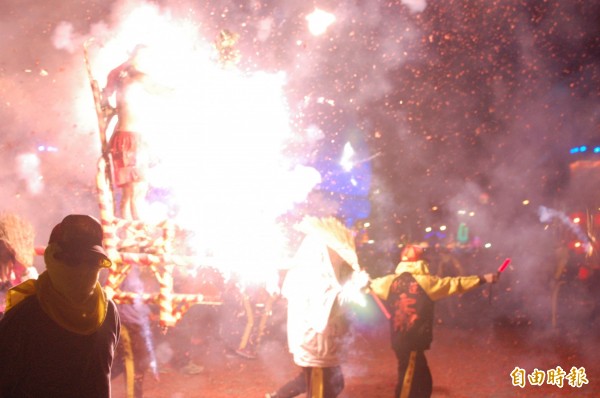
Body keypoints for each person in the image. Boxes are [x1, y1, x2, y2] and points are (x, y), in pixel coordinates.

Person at [0, 214, 121, 397]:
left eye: (91, 261)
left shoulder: (109, 312)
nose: (83, 269)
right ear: (53, 258)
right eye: (73, 260)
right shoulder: (28, 313)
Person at [369, 244, 499, 398]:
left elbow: (370, 284)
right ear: (420, 261)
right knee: (408, 382)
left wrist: (365, 281)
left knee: (422, 382)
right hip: (413, 341)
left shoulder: (388, 282)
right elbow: (455, 284)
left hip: (402, 339)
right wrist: (484, 278)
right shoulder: (426, 282)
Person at [266, 216, 368, 398]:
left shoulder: (311, 273)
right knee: (321, 391)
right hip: (317, 347)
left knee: (330, 386)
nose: (336, 255)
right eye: (332, 250)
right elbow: (332, 306)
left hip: (318, 347)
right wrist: (356, 286)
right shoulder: (313, 276)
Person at [103, 44, 155, 220]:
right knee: (133, 189)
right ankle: (133, 230)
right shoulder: (131, 76)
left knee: (136, 189)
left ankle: (133, 231)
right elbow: (161, 90)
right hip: (127, 139)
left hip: (133, 137)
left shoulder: (126, 76)